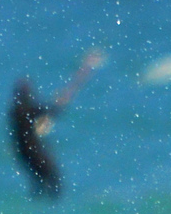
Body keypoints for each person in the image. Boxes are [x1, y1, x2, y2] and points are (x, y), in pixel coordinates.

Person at [9, 48, 105, 197]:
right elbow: (52, 110)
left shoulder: (16, 110)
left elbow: (43, 113)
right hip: (34, 152)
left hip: (23, 153)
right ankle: (48, 204)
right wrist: (60, 101)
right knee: (53, 181)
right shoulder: (25, 109)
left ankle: (38, 203)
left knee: (40, 183)